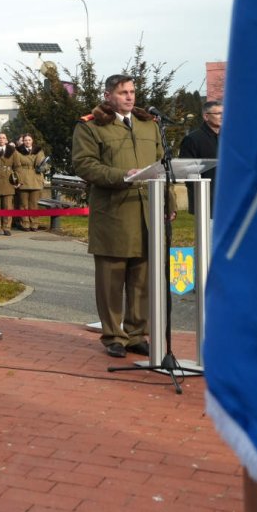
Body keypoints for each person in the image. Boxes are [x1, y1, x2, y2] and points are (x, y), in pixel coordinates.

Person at [72, 73, 172, 359]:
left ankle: (136, 334)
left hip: (147, 212)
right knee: (111, 281)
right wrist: (121, 176)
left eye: (132, 92)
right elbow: (84, 165)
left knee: (142, 280)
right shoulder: (91, 126)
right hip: (114, 212)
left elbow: (163, 164)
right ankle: (114, 336)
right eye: (123, 92)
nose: (130, 97)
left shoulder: (148, 124)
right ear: (108, 96)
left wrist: (168, 201)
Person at [178, 99, 222, 217]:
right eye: (218, 113)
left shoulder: (229, 138)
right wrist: (203, 197)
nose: (222, 116)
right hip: (206, 203)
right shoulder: (193, 139)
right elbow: (187, 173)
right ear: (206, 116)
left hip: (228, 202)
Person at [12, 133, 47, 231]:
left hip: (36, 179)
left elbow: (42, 163)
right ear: (23, 141)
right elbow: (17, 166)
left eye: (29, 140)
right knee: (23, 205)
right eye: (25, 140)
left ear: (32, 141)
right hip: (23, 179)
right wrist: (18, 180)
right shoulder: (17, 151)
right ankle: (25, 224)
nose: (27, 142)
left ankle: (34, 224)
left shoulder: (38, 151)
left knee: (34, 204)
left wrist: (42, 166)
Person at [0, 133, 17, 235]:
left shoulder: (13, 151)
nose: (1, 139)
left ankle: (6, 227)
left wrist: (17, 180)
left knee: (7, 206)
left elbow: (17, 166)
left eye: (4, 138)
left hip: (8, 179)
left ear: (6, 140)